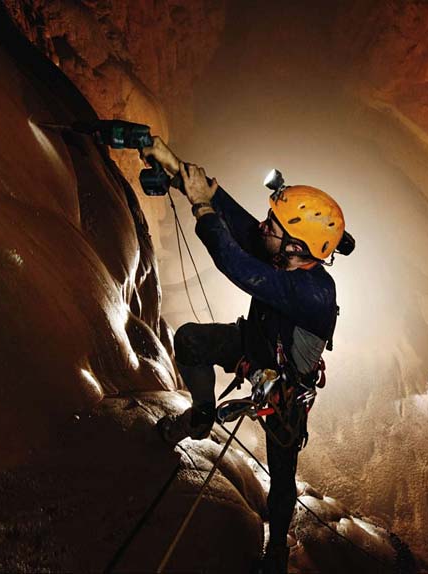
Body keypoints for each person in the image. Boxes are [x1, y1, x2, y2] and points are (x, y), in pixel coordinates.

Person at [147, 136, 344, 573]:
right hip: (253, 345)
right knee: (190, 340)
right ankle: (201, 416)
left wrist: (202, 207)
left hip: (283, 391)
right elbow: (241, 225)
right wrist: (182, 172)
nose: (265, 226)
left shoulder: (312, 293)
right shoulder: (287, 255)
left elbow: (235, 264)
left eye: (275, 225)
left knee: (281, 478)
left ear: (297, 247)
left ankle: (276, 554)